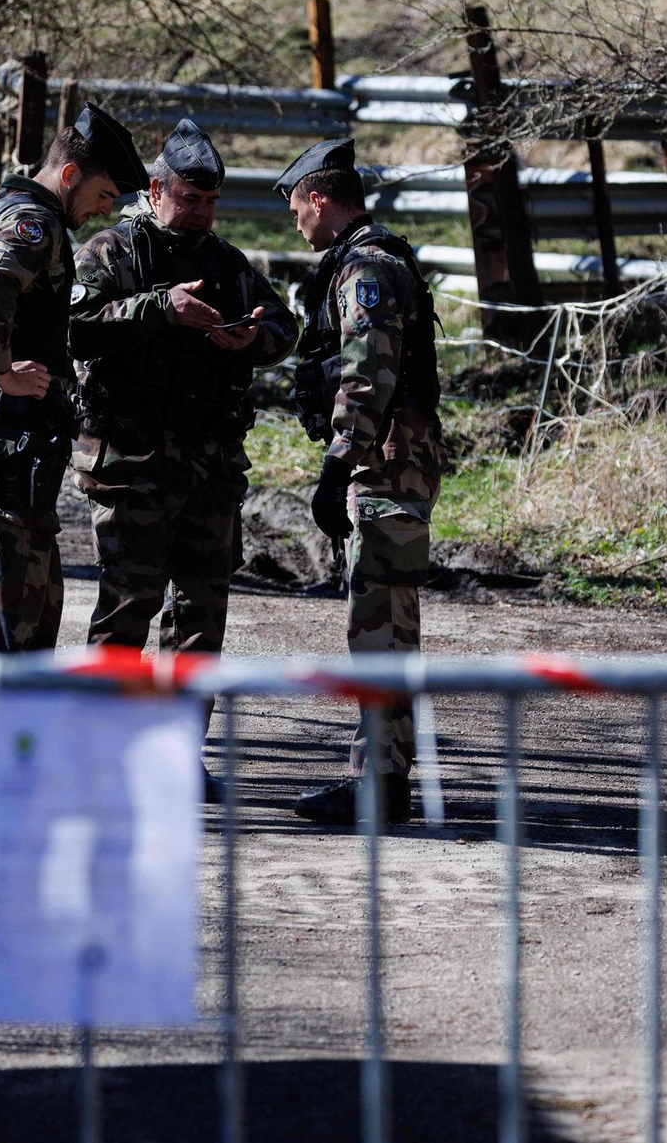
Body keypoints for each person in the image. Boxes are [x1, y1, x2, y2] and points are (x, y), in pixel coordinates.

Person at [68, 118, 298, 795]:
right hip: (132, 466)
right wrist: (158, 309)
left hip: (209, 472)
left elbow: (283, 325)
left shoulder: (225, 263)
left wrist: (249, 340)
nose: (202, 212)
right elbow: (74, 329)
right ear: (157, 189)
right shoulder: (112, 251)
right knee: (125, 611)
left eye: (211, 201)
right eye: (191, 199)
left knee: (200, 621)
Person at [0, 103, 148, 654]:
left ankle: (17, 733)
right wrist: (0, 373)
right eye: (104, 195)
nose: (105, 211)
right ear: (69, 176)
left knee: (32, 597)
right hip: (6, 431)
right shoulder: (34, 224)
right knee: (14, 612)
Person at [274, 137, 445, 826]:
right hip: (395, 455)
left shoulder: (364, 268)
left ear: (320, 197)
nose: (296, 223)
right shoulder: (371, 257)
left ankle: (379, 780)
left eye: (296, 208)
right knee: (388, 620)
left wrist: (338, 460)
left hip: (386, 458)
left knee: (378, 622)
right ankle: (386, 774)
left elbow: (367, 370)